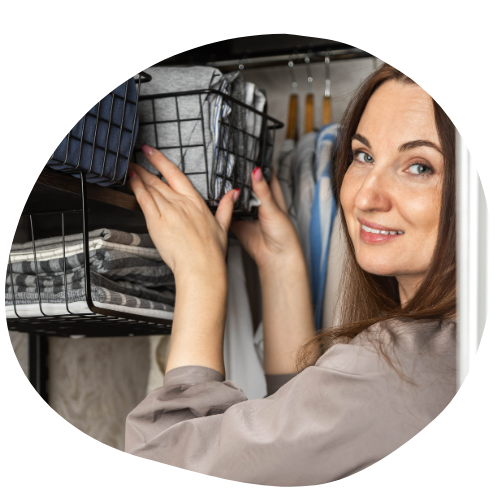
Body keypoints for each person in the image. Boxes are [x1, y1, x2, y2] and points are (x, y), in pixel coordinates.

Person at [124, 63, 456, 486]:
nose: (365, 197)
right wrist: (280, 266)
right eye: (363, 156)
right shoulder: (445, 351)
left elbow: (161, 455)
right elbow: (308, 447)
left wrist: (199, 276)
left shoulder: (398, 366)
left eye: (420, 167)